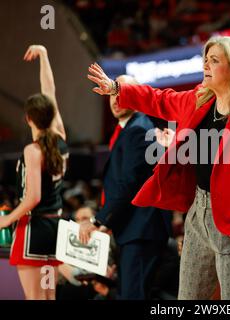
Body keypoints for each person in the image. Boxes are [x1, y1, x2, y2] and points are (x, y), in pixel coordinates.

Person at [87, 36, 230, 300]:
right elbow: (160, 100)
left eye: (214, 60)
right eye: (205, 59)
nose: (206, 65)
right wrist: (117, 89)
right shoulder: (198, 101)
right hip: (197, 213)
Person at [79, 75, 172, 300]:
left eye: (122, 92)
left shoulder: (138, 129)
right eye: (112, 93)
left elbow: (130, 183)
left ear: (137, 95)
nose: (115, 99)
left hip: (141, 229)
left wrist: (99, 220)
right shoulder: (132, 128)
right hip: (135, 228)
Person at [0, 45, 67, 299]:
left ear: (28, 118)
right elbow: (50, 91)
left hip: (34, 229)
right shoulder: (61, 136)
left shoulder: (33, 150)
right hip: (55, 228)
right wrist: (45, 55)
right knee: (49, 297)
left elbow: (33, 198)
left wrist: (7, 220)